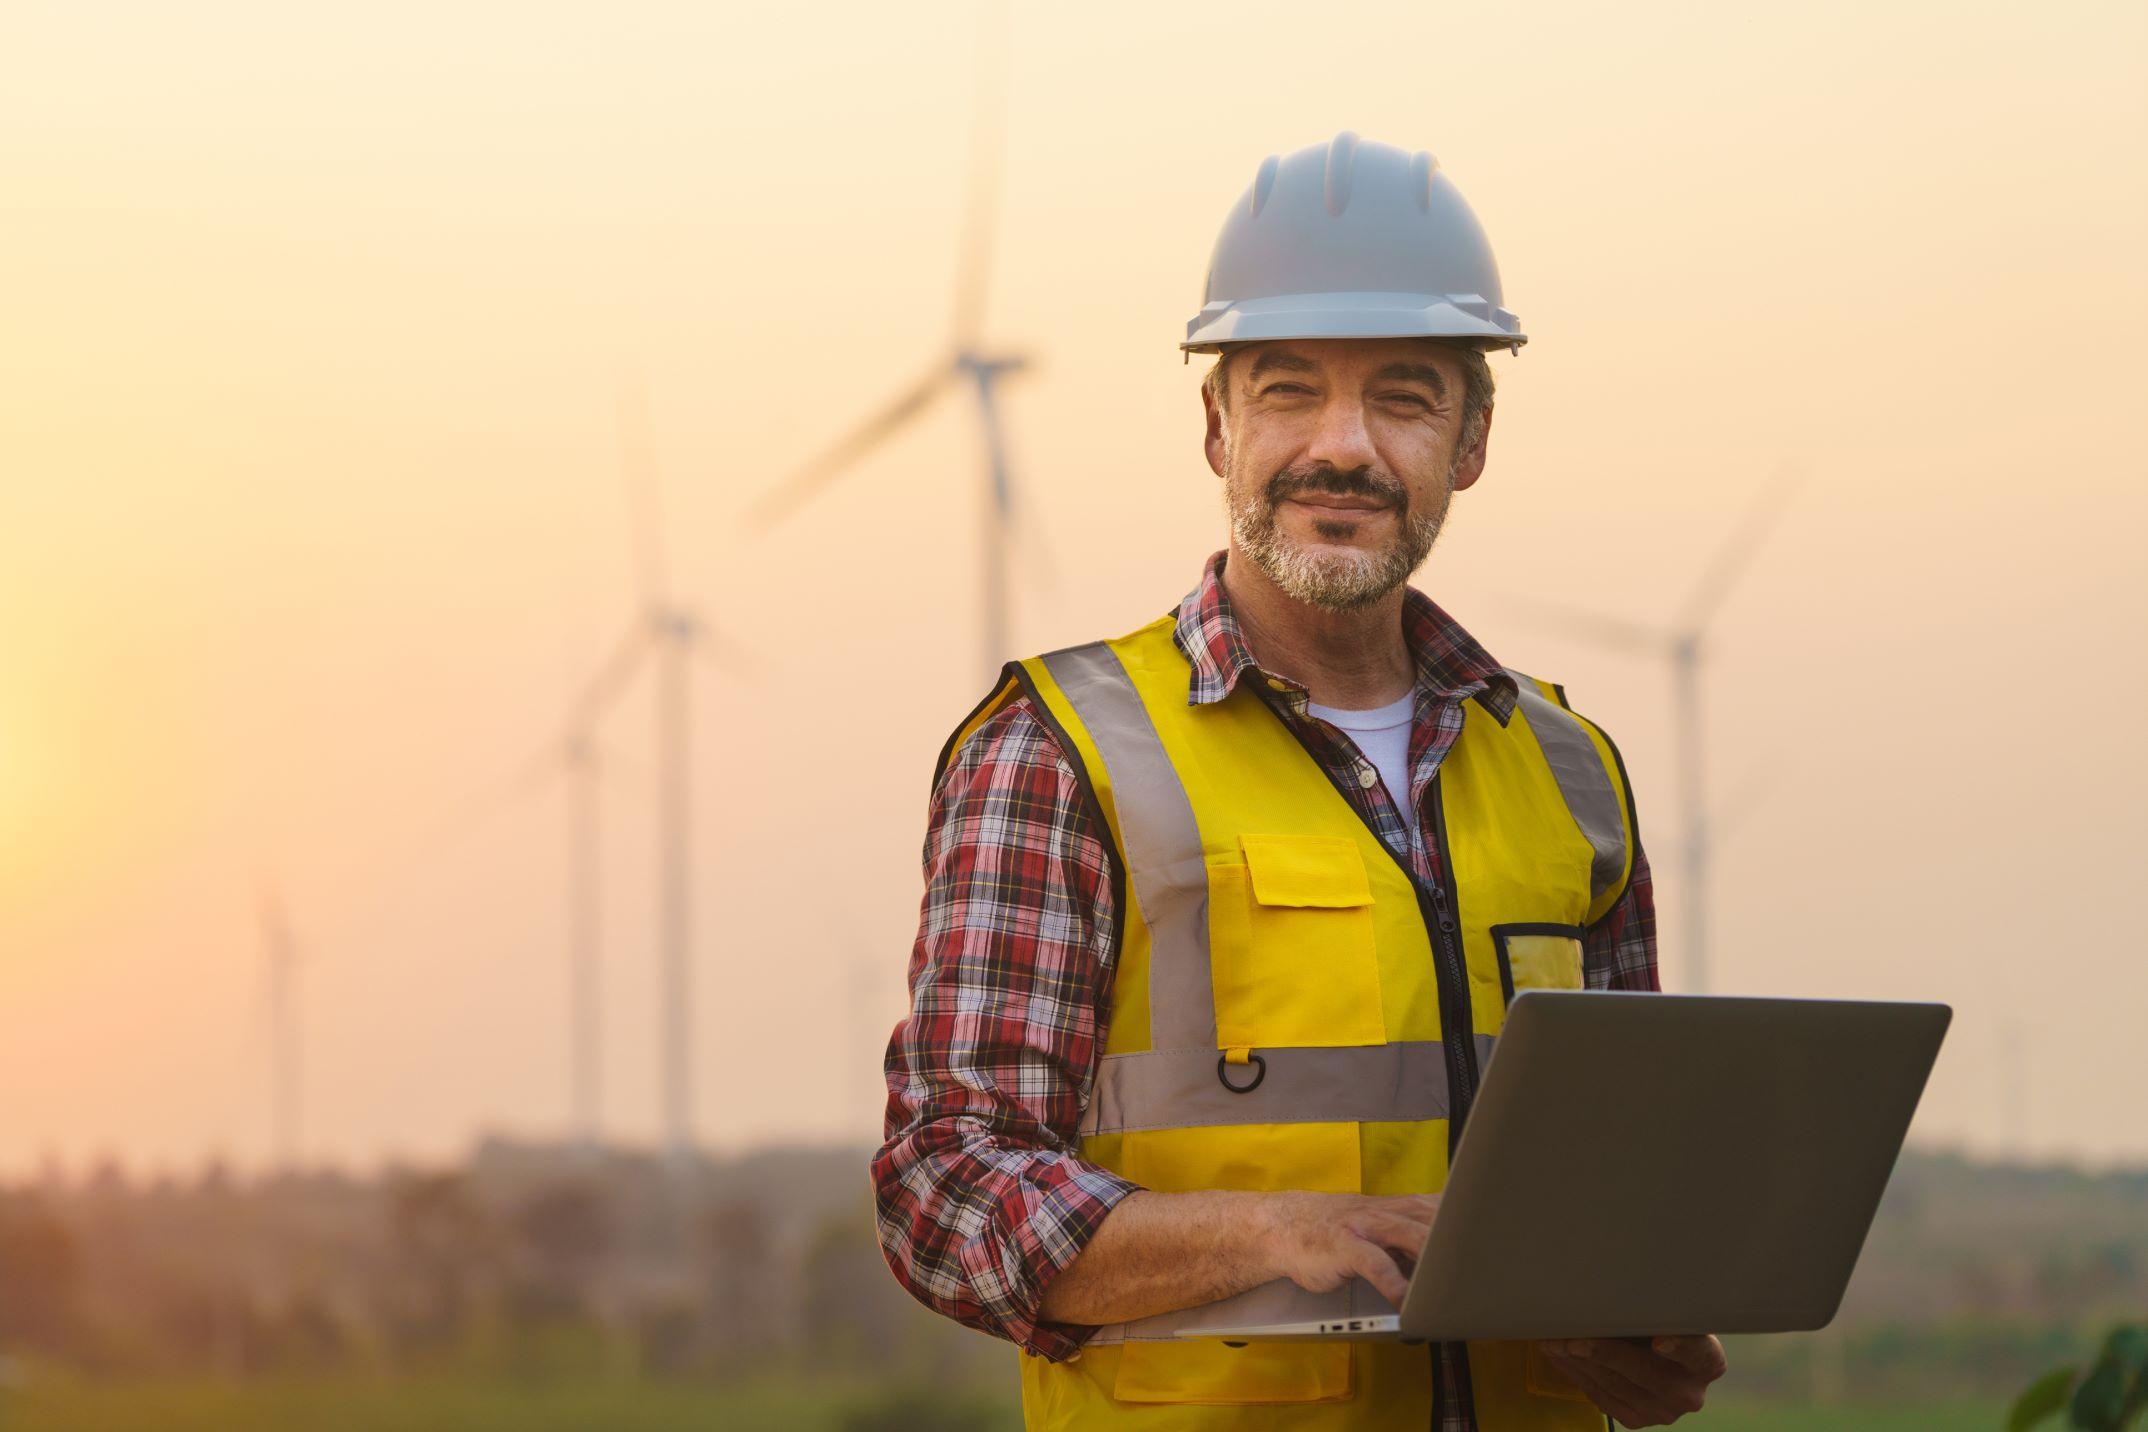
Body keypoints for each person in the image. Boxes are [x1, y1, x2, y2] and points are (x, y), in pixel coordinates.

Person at [871, 133, 1728, 1429]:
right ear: (1216, 426)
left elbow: (1619, 1183)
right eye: (1287, 392)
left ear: (1473, 439)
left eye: (1404, 394)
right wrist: (1267, 1232)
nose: (1344, 447)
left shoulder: (1570, 774)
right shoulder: (1062, 756)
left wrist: (1637, 1330)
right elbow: (945, 1197)